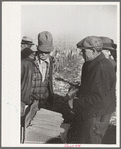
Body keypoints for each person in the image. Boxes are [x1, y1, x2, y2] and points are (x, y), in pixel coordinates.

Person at [66, 36, 116, 144]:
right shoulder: (91, 64)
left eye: (83, 51)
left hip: (97, 116)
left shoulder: (102, 68)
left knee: (90, 141)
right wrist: (77, 91)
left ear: (93, 51)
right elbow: (91, 88)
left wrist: (75, 103)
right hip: (90, 112)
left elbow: (99, 100)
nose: (81, 54)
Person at [21, 31, 55, 117]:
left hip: (43, 102)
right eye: (42, 51)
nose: (43, 54)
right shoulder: (27, 62)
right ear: (37, 48)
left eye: (47, 52)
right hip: (29, 102)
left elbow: (48, 82)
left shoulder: (50, 61)